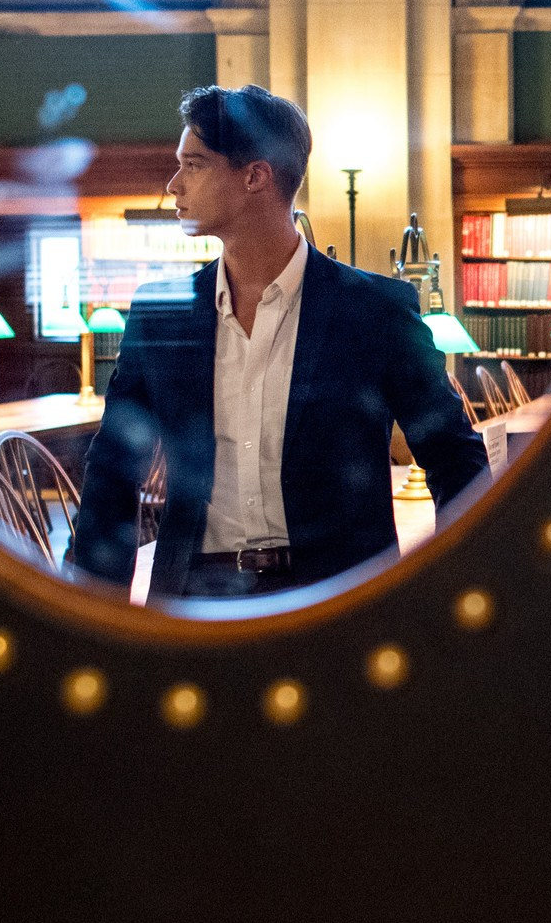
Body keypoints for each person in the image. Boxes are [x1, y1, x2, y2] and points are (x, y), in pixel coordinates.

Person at [68, 85, 488, 598]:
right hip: (194, 595)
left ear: (255, 176)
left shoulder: (374, 311)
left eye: (194, 164)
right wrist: (90, 605)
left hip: (339, 598)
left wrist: (448, 589)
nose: (173, 185)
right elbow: (113, 470)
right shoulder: (161, 314)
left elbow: (455, 459)